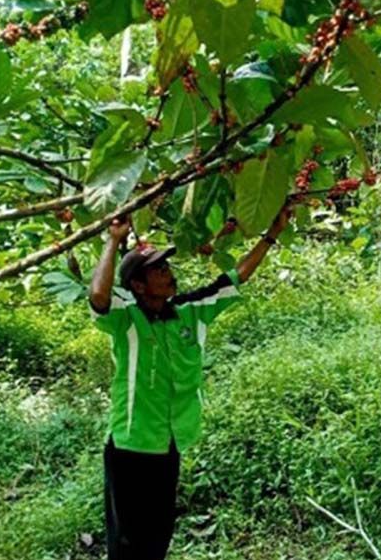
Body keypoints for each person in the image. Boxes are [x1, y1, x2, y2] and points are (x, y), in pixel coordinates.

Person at [88, 207, 290, 560]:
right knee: (126, 541)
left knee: (158, 533)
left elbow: (234, 278)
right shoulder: (126, 318)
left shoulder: (190, 311)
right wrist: (113, 240)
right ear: (138, 284)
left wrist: (271, 235)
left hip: (170, 443)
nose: (169, 274)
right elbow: (99, 298)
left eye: (167, 267)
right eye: (159, 270)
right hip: (131, 445)